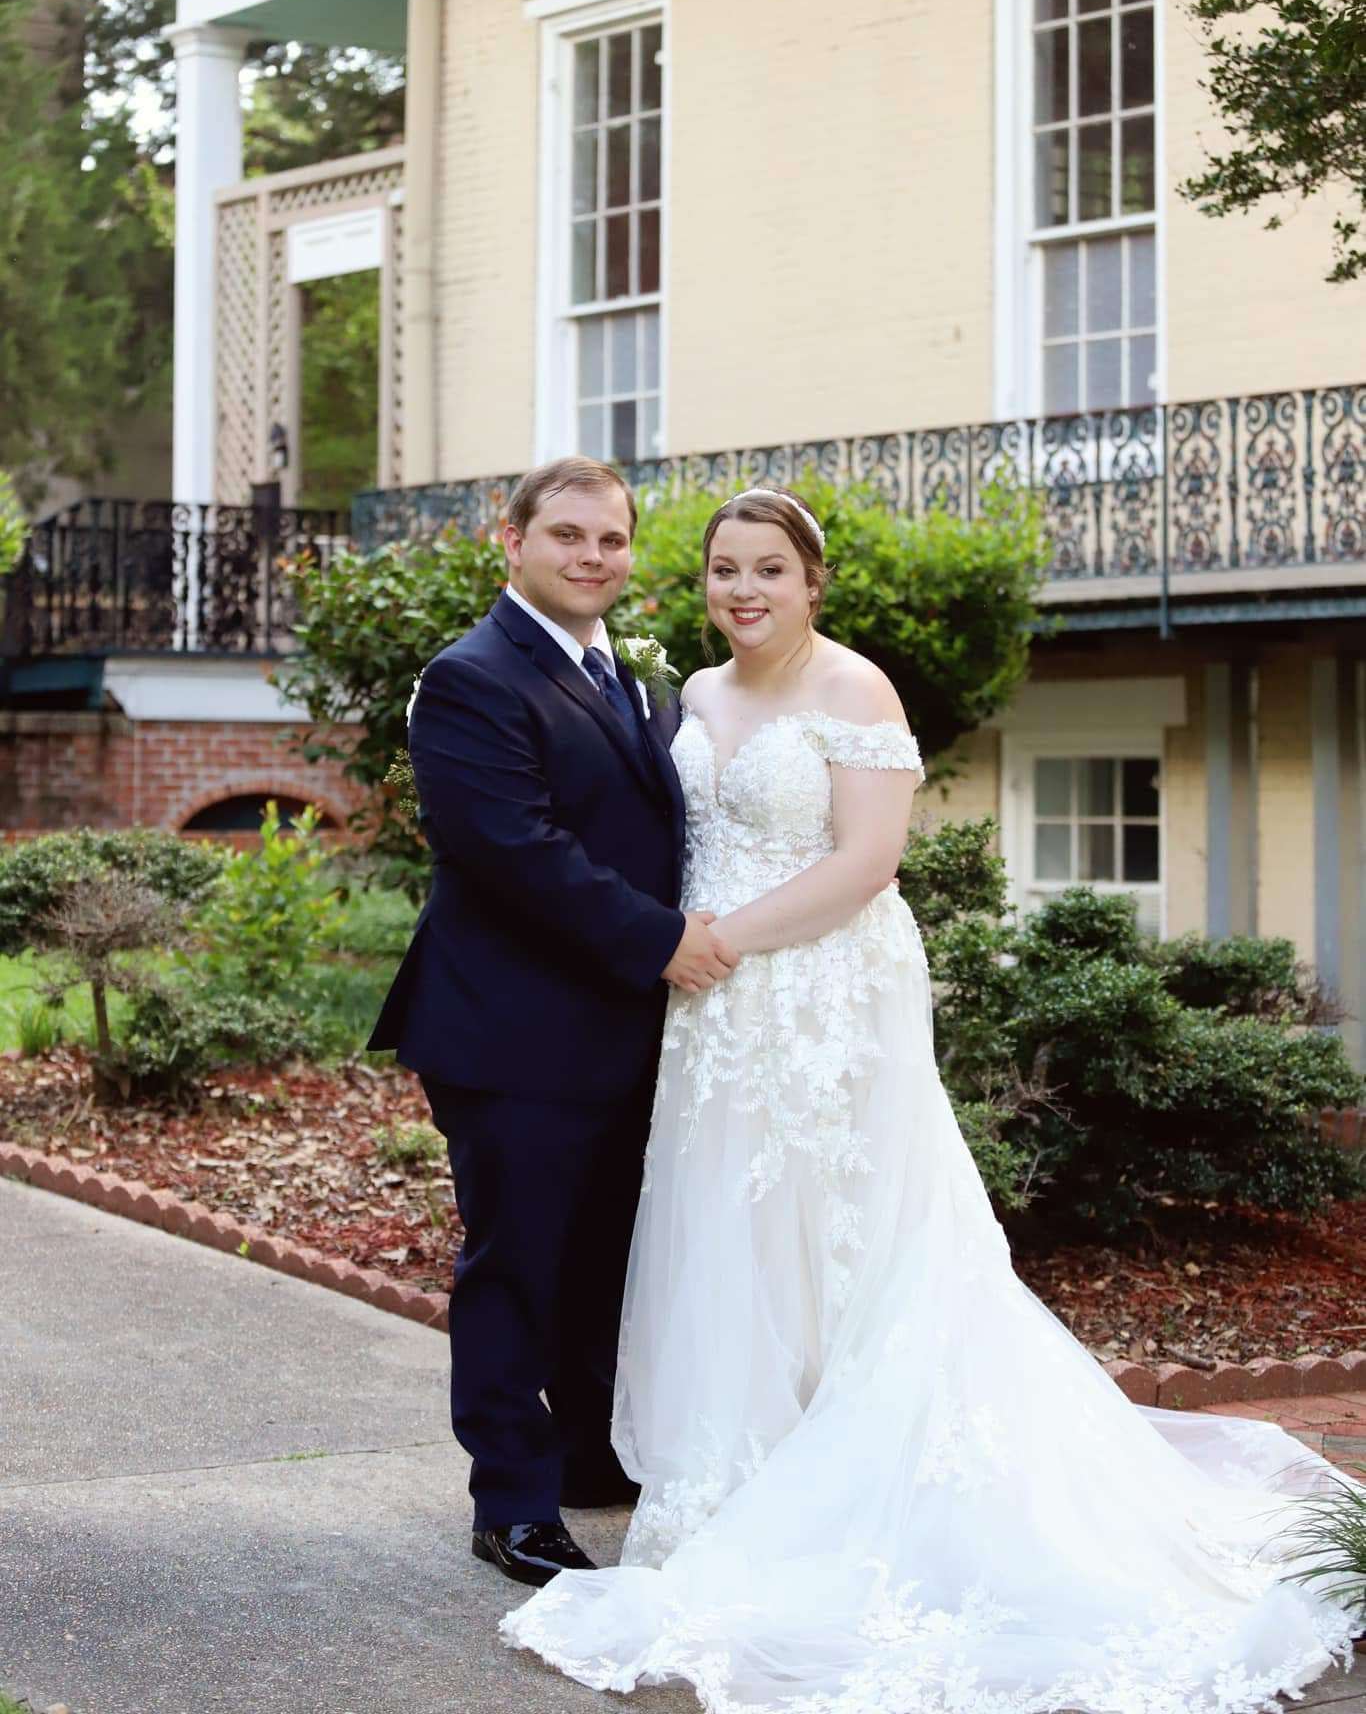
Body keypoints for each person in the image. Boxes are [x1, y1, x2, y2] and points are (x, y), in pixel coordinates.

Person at [501, 484, 1363, 1714]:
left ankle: (861, 1483)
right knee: (733, 1234)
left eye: (769, 571)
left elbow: (864, 864)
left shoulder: (857, 692)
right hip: (718, 1014)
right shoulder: (691, 694)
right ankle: (744, 1478)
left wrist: (710, 941)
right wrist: (682, 952)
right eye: (722, 569)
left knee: (851, 1231)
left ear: (813, 582)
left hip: (820, 996)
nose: (742, 590)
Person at [369, 456, 738, 1590]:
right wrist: (662, 938)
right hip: (509, 1029)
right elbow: (515, 849)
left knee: (604, 1263)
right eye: (568, 534)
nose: (592, 556)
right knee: (515, 1265)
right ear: (513, 539)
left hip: (629, 1028)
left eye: (611, 539)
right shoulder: (471, 676)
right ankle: (512, 1501)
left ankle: (589, 1453)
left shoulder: (630, 676)